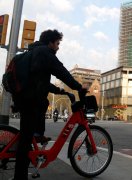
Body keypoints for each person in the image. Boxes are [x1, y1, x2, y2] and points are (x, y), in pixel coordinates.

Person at [12, 29, 84, 180]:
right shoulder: (45, 53)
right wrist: (78, 86)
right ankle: (20, 176)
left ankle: (37, 136)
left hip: (26, 98)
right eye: (57, 43)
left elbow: (41, 82)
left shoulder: (35, 52)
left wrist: (60, 91)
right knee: (25, 140)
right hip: (29, 100)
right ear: (50, 42)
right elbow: (61, 71)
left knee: (28, 135)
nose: (58, 47)